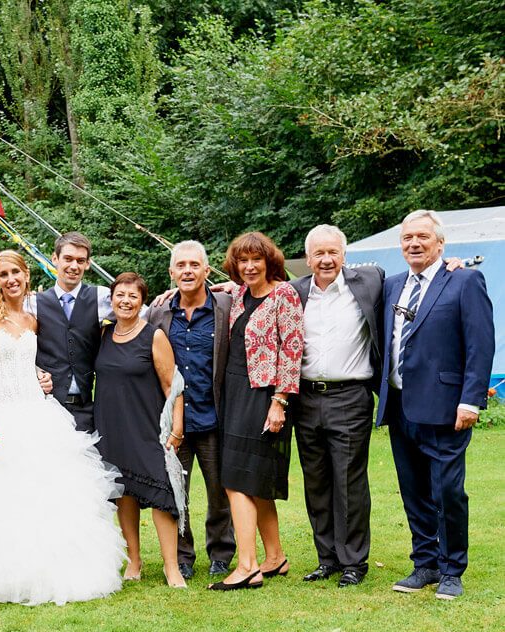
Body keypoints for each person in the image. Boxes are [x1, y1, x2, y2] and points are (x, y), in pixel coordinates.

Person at [0, 250, 125, 605]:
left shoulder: (32, 321)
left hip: (34, 411)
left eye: (15, 272)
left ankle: (48, 569)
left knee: (42, 492)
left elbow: (30, 361)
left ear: (25, 275)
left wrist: (40, 377)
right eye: (3, 275)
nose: (10, 279)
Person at [376, 210, 494, 600]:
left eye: (422, 237)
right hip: (400, 407)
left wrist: (471, 400)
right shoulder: (392, 285)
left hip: (446, 408)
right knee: (413, 491)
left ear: (440, 243)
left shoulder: (464, 280)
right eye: (407, 237)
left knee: (447, 492)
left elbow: (480, 345)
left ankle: (451, 570)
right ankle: (424, 563)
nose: (414, 243)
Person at [211, 232, 304, 591]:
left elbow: (292, 351)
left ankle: (248, 565)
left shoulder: (284, 295)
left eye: (256, 260)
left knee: (236, 480)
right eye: (242, 261)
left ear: (269, 262)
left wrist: (279, 402)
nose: (249, 267)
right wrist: (173, 292)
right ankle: (275, 556)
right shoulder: (236, 294)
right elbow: (213, 289)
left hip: (263, 394)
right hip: (234, 391)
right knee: (256, 482)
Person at [291, 225, 384, 588]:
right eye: (318, 254)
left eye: (333, 252)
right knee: (316, 481)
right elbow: (250, 293)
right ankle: (326, 557)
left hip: (350, 396)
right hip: (306, 396)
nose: (326, 260)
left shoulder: (370, 281)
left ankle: (353, 561)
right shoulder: (295, 291)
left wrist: (453, 264)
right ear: (308, 258)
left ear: (344, 255)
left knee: (349, 482)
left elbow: (415, 277)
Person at [146, 241, 236, 580]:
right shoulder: (158, 312)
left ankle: (221, 553)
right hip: (173, 422)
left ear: (206, 271)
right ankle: (183, 556)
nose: (187, 270)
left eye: (194, 265)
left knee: (219, 493)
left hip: (214, 416)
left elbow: (265, 293)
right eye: (180, 265)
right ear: (171, 273)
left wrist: (237, 284)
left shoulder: (226, 305)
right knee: (175, 491)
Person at [96, 272, 186, 587]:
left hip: (148, 426)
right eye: (120, 295)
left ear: (142, 301)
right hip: (111, 426)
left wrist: (177, 425)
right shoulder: (103, 335)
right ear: (112, 298)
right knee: (124, 494)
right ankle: (134, 559)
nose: (126, 301)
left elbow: (172, 384)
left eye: (133, 296)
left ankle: (171, 566)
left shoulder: (153, 335)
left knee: (162, 492)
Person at [31, 232, 113, 433]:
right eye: (68, 259)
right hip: (46, 408)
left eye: (80, 261)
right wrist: (35, 371)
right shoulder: (33, 304)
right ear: (55, 259)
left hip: (86, 409)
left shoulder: (102, 297)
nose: (74, 266)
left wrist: (172, 295)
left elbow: (143, 312)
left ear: (88, 264)